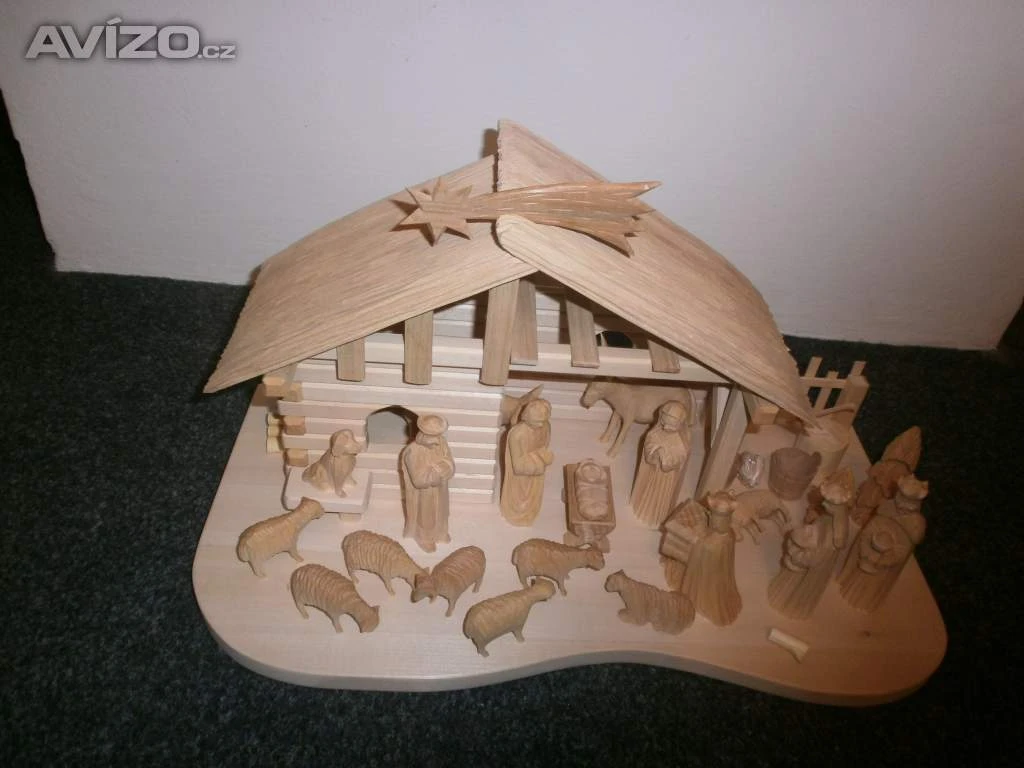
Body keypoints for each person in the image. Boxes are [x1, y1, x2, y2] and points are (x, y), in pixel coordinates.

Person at [630, 400, 690, 527]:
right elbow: (648, 448)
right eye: (664, 423)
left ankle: (655, 516)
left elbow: (679, 458)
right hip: (652, 471)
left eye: (672, 426)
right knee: (647, 492)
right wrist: (654, 452)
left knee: (659, 497)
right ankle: (643, 509)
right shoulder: (655, 433)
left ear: (680, 424)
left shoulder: (680, 441)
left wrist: (666, 457)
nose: (666, 428)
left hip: (666, 479)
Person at [400, 415, 455, 552]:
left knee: (441, 511)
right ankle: (424, 537)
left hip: (440, 489)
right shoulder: (412, 451)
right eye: (433, 435)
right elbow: (417, 481)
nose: (437, 439)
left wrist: (448, 467)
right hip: (424, 493)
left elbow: (449, 460)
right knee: (426, 516)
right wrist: (436, 471)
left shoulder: (441, 442)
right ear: (423, 434)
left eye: (438, 435)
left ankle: (440, 532)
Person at [501, 399, 554, 526]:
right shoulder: (517, 434)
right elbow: (518, 466)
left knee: (532, 498)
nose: (540, 425)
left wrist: (545, 456)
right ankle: (514, 512)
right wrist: (539, 459)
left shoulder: (546, 427)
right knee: (517, 499)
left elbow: (544, 446)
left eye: (543, 420)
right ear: (527, 416)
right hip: (520, 476)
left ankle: (528, 512)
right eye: (537, 421)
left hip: (535, 474)